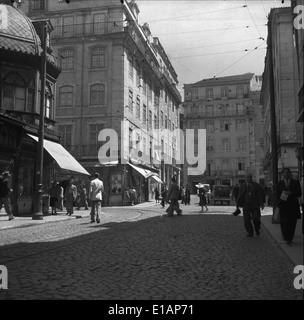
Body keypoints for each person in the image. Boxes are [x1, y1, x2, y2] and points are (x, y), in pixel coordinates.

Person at [276, 168, 302, 245]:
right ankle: (286, 237)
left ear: (290, 174)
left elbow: (299, 193)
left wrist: (291, 193)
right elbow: (277, 195)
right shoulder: (279, 183)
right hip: (283, 206)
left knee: (292, 223)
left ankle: (290, 238)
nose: (285, 174)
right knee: (284, 222)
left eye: (287, 172)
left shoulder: (295, 182)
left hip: (293, 206)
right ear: (282, 174)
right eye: (284, 172)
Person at [236, 173, 264, 237]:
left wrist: (261, 203)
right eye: (248, 177)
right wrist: (238, 205)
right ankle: (250, 232)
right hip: (246, 205)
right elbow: (240, 195)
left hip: (255, 205)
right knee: (246, 219)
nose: (249, 178)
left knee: (256, 218)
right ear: (246, 178)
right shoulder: (243, 186)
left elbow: (260, 195)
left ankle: (257, 229)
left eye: (250, 177)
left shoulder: (256, 185)